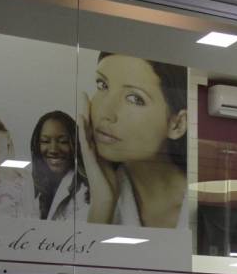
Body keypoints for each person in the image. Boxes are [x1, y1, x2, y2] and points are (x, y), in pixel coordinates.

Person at [78, 53, 189, 228]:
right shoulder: (80, 202)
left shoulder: (207, 209)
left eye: (135, 99)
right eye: (102, 85)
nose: (105, 113)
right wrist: (102, 203)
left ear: (177, 124)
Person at [30, 110, 86, 221]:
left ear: (75, 145)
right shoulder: (34, 187)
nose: (53, 150)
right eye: (45, 141)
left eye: (63, 141)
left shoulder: (84, 191)